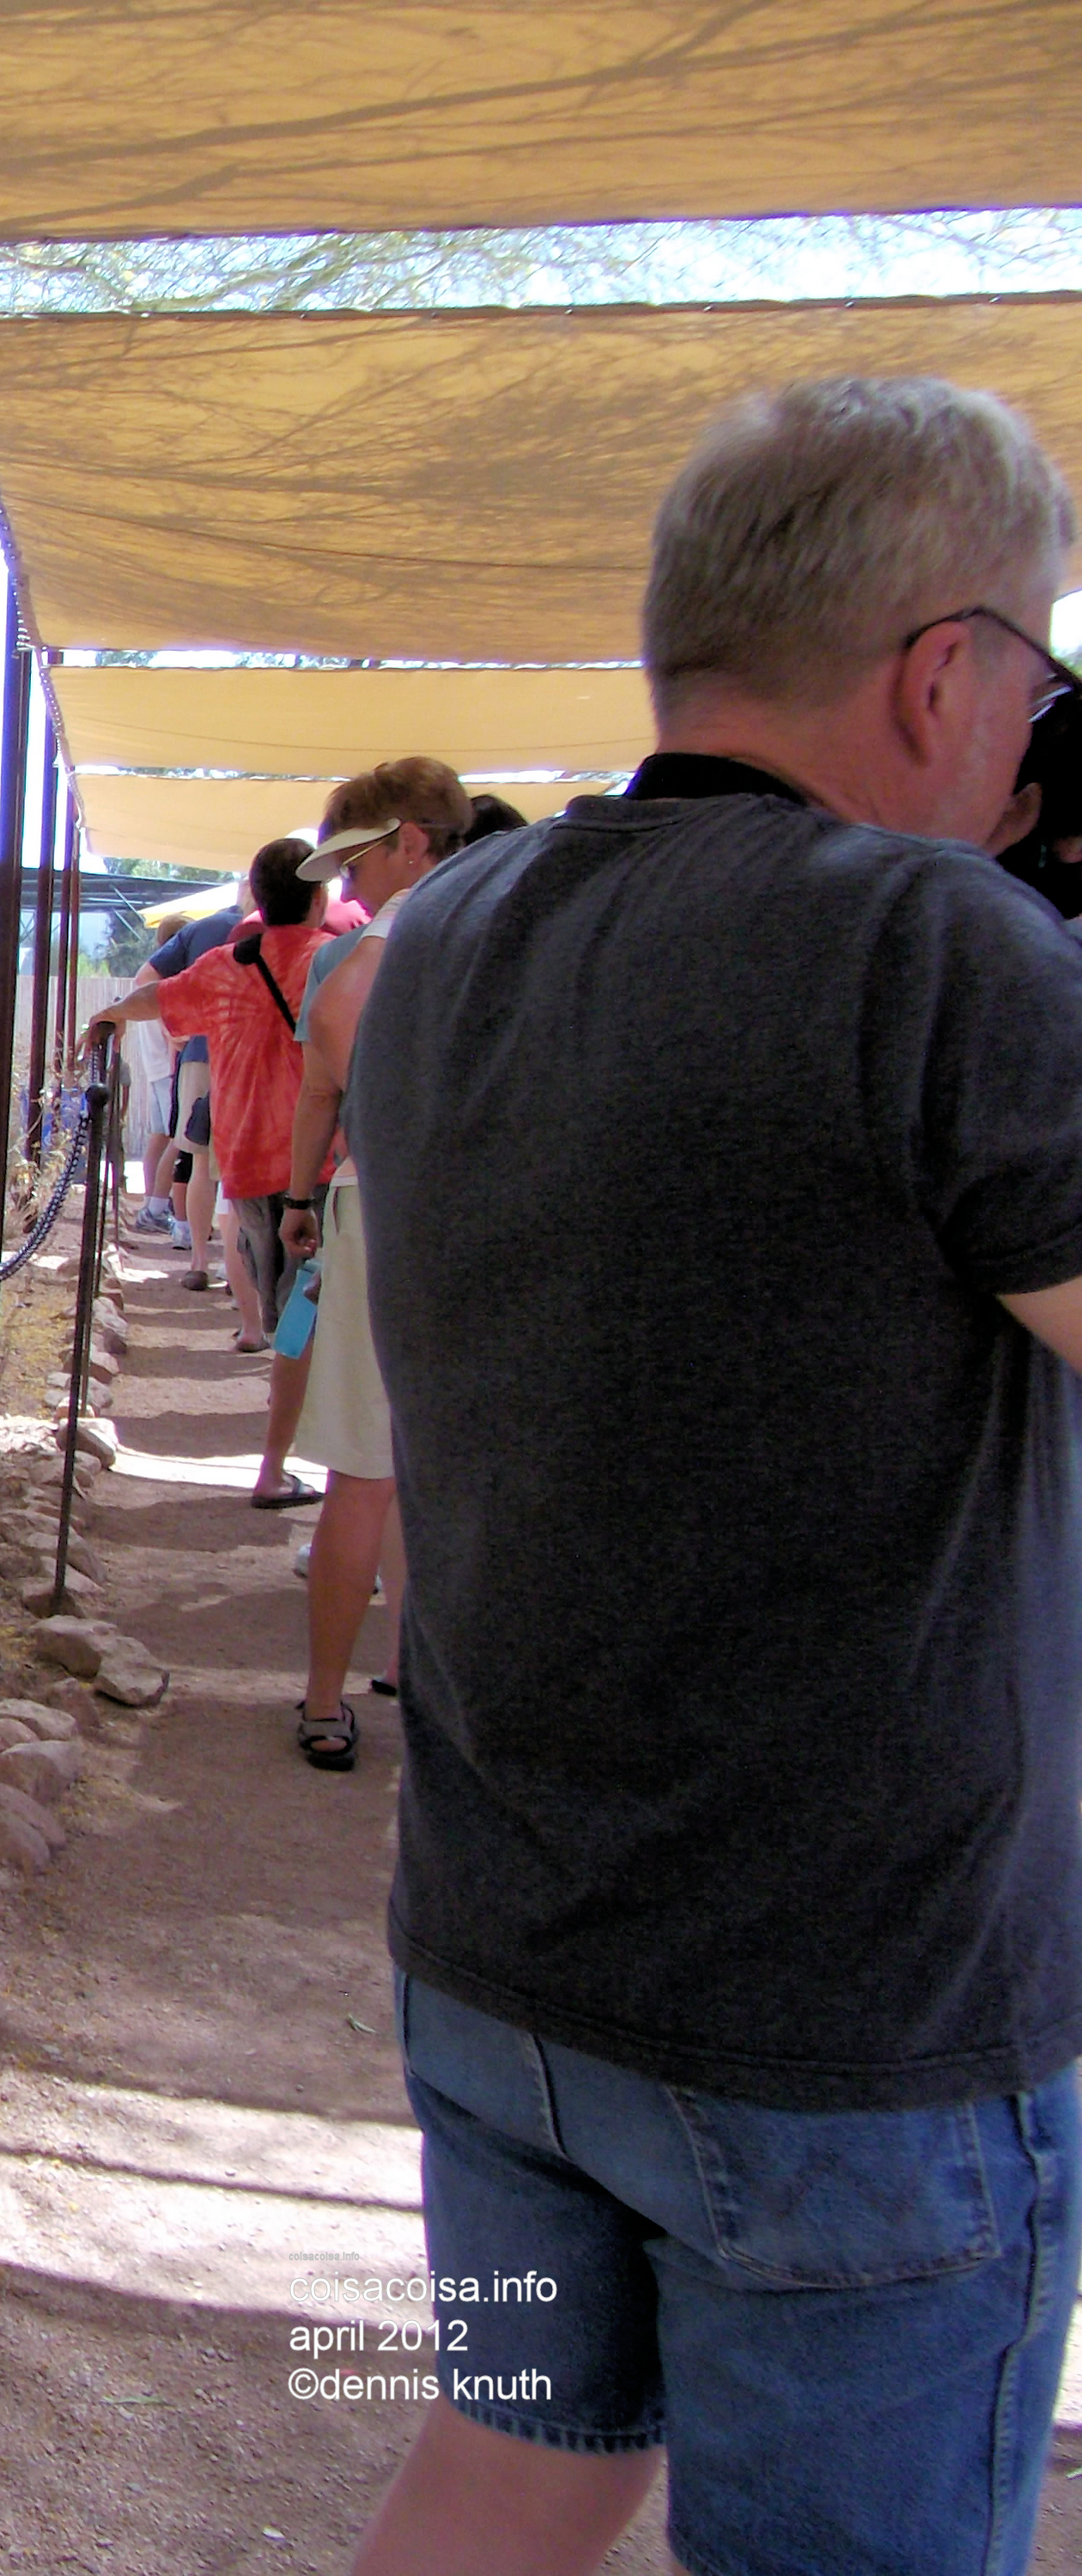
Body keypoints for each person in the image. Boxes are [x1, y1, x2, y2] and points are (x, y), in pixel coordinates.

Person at [346, 376, 1082, 2576]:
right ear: (938, 672)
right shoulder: (939, 953)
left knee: (503, 2468)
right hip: (846, 2038)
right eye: (1036, 675)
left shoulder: (439, 942)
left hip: (500, 1970)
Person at [268, 760, 475, 1769]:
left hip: (383, 1204)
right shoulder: (500, 926)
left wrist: (305, 1196)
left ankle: (323, 1699)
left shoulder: (371, 952)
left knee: (363, 1468)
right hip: (481, 1218)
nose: (346, 885)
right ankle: (412, 1669)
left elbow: (325, 1068)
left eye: (355, 861)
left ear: (409, 841)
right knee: (436, 1471)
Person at [86, 838, 360, 1507]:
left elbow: (157, 998)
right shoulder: (336, 961)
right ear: (320, 896)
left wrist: (110, 1014)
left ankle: (279, 1461)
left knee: (290, 1319)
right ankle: (317, 1473)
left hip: (247, 1166)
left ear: (256, 899)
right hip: (320, 1168)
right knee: (322, 1321)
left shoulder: (228, 965)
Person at [129, 891, 245, 1288]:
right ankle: (235, 1265)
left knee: (198, 1159)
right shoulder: (280, 929)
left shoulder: (202, 930)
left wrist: (174, 1026)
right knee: (240, 1162)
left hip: (200, 1052)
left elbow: (145, 978)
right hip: (250, 1056)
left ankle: (199, 1259)